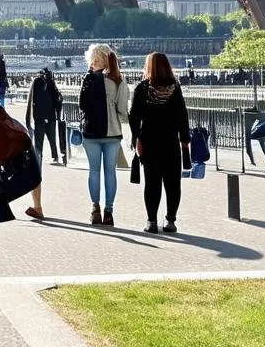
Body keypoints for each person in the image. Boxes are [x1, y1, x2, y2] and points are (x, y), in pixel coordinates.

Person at [129, 51, 190, 234]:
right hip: (170, 141)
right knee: (173, 184)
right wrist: (184, 140)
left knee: (152, 184)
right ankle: (170, 220)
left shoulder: (142, 89)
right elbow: (182, 115)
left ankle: (152, 221)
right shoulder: (175, 88)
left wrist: (136, 138)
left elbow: (134, 116)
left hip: (149, 141)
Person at [78, 44, 129, 227]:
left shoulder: (88, 79)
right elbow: (123, 110)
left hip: (91, 133)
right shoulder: (118, 81)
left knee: (94, 171)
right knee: (110, 172)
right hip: (113, 133)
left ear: (94, 61)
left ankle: (95, 209)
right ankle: (109, 211)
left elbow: (81, 105)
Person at [23, 66, 64, 221]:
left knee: (38, 149)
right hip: (51, 118)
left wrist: (28, 122)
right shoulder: (51, 82)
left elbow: (30, 102)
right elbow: (58, 101)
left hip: (39, 119)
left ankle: (38, 165)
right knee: (52, 140)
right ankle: (56, 155)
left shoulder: (36, 82)